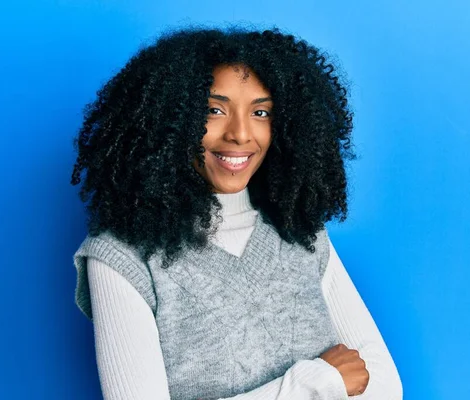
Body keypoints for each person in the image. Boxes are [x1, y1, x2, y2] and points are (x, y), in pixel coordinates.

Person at [70, 26, 402, 400]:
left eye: (260, 112)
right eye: (214, 110)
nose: (241, 134)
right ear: (168, 121)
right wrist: (314, 384)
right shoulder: (121, 257)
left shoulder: (300, 232)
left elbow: (385, 387)